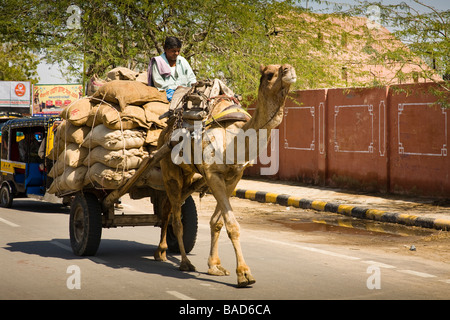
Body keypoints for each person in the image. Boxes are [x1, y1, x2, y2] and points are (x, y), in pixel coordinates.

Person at [147, 36, 197, 101]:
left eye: (178, 51)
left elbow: (191, 78)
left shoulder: (182, 61)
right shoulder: (158, 62)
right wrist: (176, 88)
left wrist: (193, 86)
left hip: (185, 90)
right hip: (167, 92)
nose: (176, 53)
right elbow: (158, 83)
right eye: (173, 51)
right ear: (165, 49)